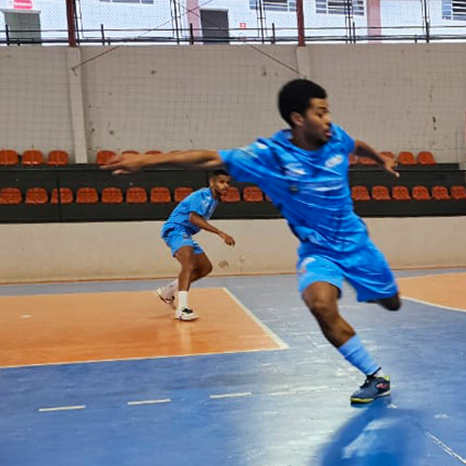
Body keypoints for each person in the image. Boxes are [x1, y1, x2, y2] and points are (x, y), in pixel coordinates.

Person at [106, 78, 401, 404]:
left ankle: (380, 294)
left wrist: (381, 159)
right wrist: (146, 162)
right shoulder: (270, 156)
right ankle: (376, 376)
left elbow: (356, 144)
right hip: (318, 250)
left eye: (328, 111)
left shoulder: (336, 138)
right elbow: (208, 158)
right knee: (319, 304)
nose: (328, 119)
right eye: (320, 112)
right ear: (298, 118)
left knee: (391, 302)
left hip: (357, 244)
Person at [154, 171, 237, 320]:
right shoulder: (202, 196)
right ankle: (182, 309)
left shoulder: (214, 200)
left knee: (205, 267)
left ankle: (168, 290)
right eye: (222, 182)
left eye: (228, 183)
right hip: (175, 230)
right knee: (189, 264)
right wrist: (220, 233)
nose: (226, 186)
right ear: (212, 183)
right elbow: (193, 218)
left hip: (185, 233)